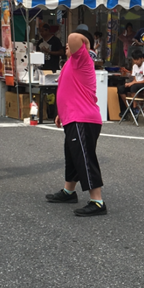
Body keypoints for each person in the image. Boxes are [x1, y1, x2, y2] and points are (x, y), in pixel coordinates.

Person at [45, 32, 107, 217]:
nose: (66, 46)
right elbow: (69, 91)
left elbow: (73, 37)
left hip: (83, 118)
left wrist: (86, 43)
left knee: (84, 158)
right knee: (72, 156)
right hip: (73, 117)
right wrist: (60, 113)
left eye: (68, 46)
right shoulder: (70, 64)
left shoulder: (82, 59)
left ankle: (97, 201)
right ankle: (68, 191)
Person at [117, 49, 144, 115]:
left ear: (141, 59)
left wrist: (132, 83)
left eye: (137, 59)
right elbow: (135, 79)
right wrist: (131, 83)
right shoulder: (134, 66)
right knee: (121, 88)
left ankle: (135, 107)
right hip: (137, 83)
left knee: (133, 87)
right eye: (134, 60)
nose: (136, 61)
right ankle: (128, 107)